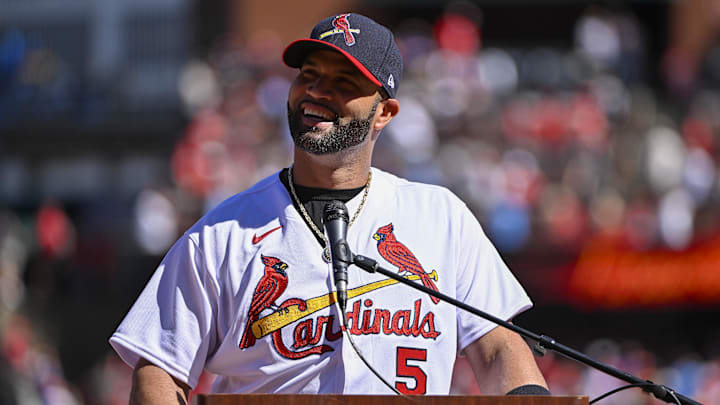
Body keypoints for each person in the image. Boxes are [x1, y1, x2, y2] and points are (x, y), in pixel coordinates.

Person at [110, 13, 549, 403]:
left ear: (385, 113)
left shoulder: (441, 218)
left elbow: (497, 350)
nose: (317, 92)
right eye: (308, 75)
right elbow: (159, 370)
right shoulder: (222, 234)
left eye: (344, 83)